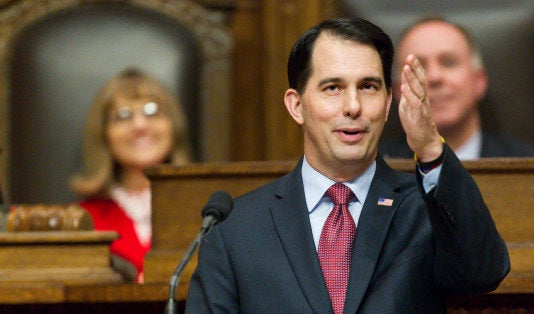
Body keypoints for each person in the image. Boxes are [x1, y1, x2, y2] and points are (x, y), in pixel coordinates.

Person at [186, 17, 510, 313]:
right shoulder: (234, 230)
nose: (353, 106)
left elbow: (483, 272)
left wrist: (428, 146)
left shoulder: (425, 211)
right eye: (333, 88)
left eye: (368, 87)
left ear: (386, 105)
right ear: (296, 106)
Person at [70, 68, 192, 283]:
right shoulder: (82, 221)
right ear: (104, 134)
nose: (140, 125)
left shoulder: (205, 214)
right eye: (123, 116)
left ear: (173, 127)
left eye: (152, 111)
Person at [379, 16, 534, 159]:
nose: (434, 77)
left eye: (449, 63)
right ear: (397, 89)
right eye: (418, 66)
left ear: (479, 81)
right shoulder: (371, 170)